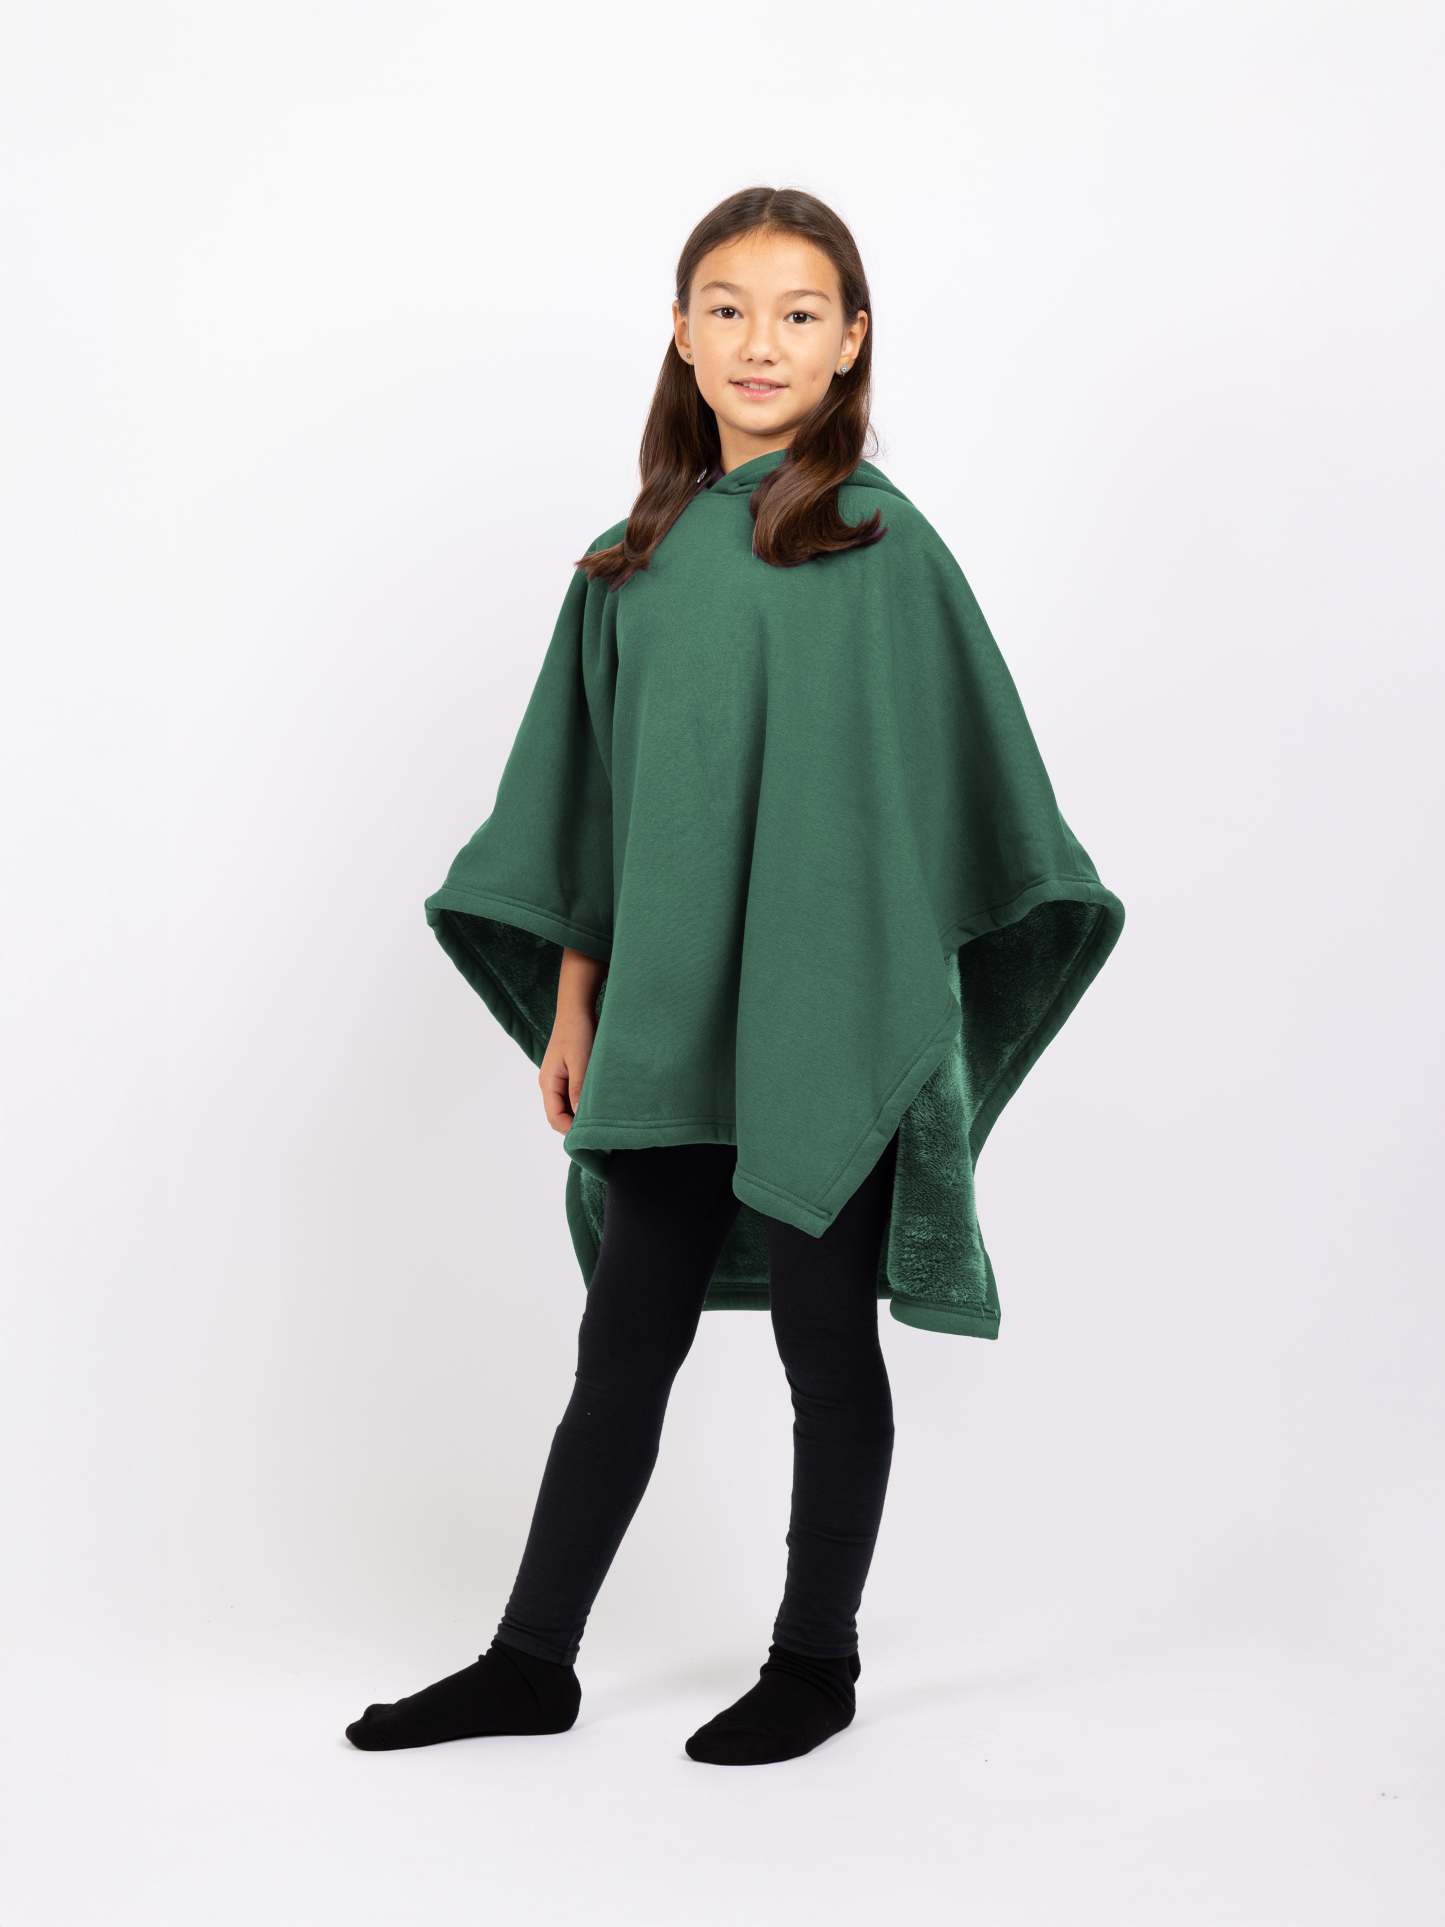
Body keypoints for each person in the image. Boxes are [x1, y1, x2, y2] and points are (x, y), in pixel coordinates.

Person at [345, 185, 1125, 1767]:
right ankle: (531, 1663)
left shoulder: (888, 551)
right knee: (622, 1344)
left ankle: (813, 1664)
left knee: (825, 1342)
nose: (759, 341)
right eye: (726, 307)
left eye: (796, 312)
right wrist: (574, 1004)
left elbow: (952, 792)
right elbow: (596, 813)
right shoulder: (626, 563)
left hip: (822, 1012)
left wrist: (890, 978)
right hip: (663, 1016)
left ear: (848, 344)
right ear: (680, 334)